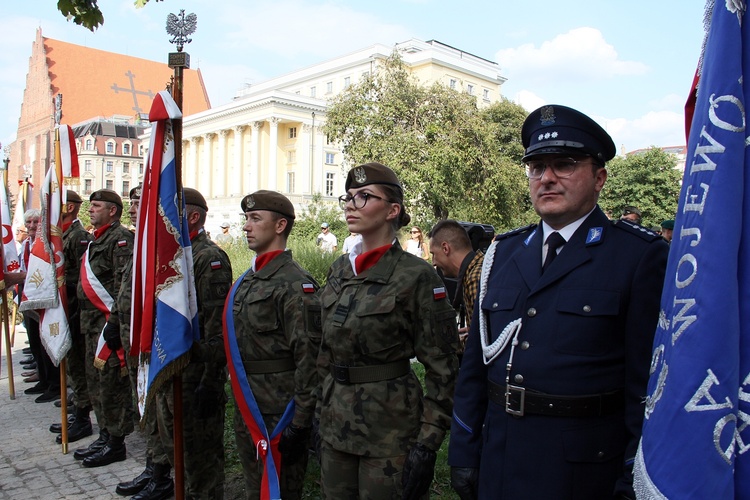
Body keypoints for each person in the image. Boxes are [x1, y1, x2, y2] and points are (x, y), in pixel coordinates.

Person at [448, 104, 669, 499]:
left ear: (599, 177)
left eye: (564, 164)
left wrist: (632, 477)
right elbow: (475, 369)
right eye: (537, 167)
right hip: (501, 457)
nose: (546, 178)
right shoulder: (503, 254)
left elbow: (645, 387)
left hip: (581, 471)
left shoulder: (637, 257)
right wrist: (463, 450)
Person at [317, 162, 459, 499]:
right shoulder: (339, 270)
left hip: (390, 431)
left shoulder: (416, 275)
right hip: (335, 425)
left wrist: (428, 442)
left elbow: (444, 366)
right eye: (349, 197)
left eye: (364, 196)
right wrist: (315, 412)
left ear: (392, 210)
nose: (351, 204)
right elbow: (325, 349)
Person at [224, 190, 321, 499]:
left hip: (280, 411)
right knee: (256, 487)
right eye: (246, 219)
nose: (246, 227)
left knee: (281, 488)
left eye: (255, 219)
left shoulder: (295, 283)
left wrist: (302, 421)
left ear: (280, 226)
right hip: (248, 403)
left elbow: (309, 358)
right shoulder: (247, 280)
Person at [73, 189, 135, 468]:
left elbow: (124, 284)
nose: (91, 210)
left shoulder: (120, 240)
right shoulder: (95, 241)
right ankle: (105, 433)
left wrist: (114, 321)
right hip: (91, 324)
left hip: (108, 324)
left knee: (111, 384)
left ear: (112, 211)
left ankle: (116, 441)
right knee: (95, 382)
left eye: (96, 206)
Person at [49, 190, 94, 443]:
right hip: (65, 310)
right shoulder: (59, 236)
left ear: (69, 207)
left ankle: (82, 417)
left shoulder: (78, 238)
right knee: (73, 366)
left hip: (75, 310)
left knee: (79, 366)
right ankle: (76, 414)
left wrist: (69, 305)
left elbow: (82, 279)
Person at [428, 219, 484, 345]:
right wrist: (470, 330)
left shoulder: (475, 277)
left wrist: (450, 343)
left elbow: (483, 340)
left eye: (433, 254)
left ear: (445, 248)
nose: (433, 262)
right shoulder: (479, 268)